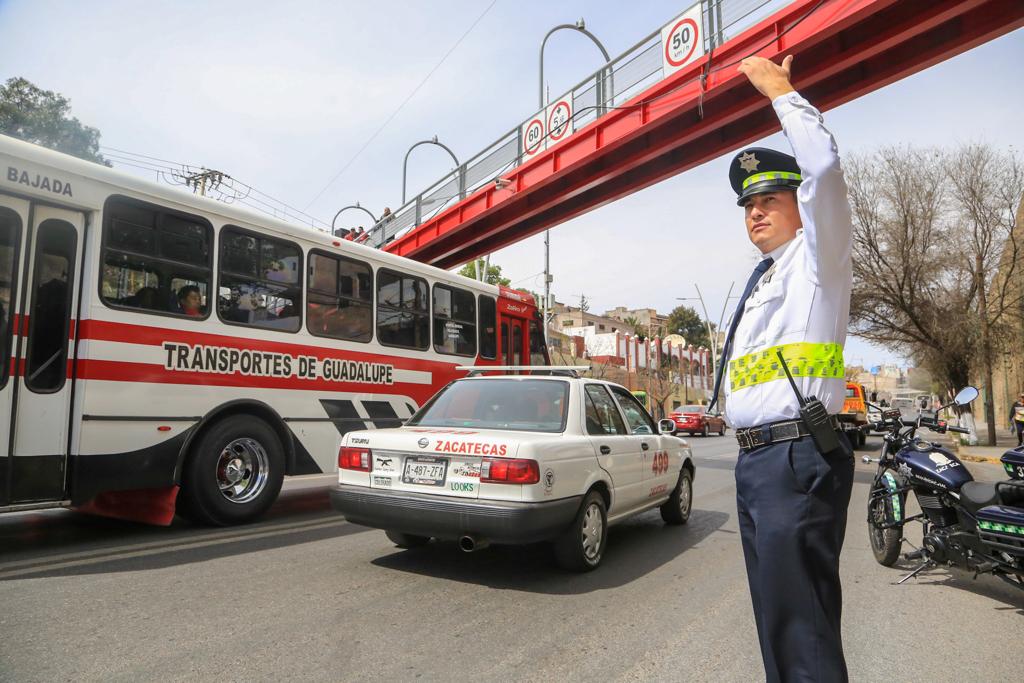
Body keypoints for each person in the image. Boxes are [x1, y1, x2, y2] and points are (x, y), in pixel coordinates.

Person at [706, 55, 855, 682]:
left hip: (796, 458)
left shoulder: (816, 263)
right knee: (778, 620)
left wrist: (782, 93)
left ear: (802, 205)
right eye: (747, 205)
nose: (755, 213)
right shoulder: (764, 277)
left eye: (769, 199)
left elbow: (823, 168)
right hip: (758, 462)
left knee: (802, 629)